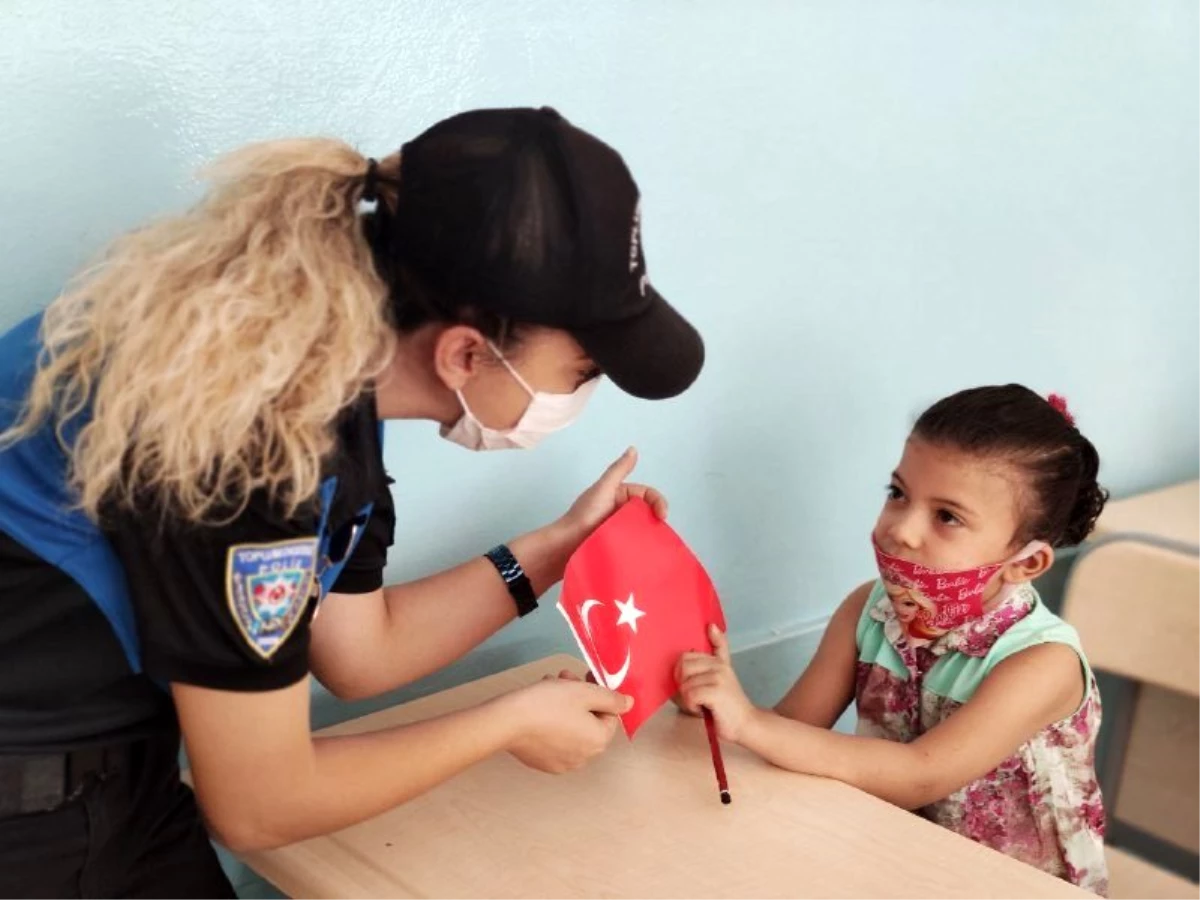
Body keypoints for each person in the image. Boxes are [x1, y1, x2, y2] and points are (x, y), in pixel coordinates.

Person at [0, 106, 705, 899]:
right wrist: (507, 725)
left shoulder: (328, 376)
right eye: (580, 374)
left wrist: (558, 549)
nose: (580, 394)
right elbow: (259, 807)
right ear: (464, 354)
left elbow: (360, 654)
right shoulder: (242, 433)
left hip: (122, 786)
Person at [677, 385, 1110, 895]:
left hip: (1013, 886)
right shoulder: (867, 610)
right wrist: (711, 699)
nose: (900, 530)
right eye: (897, 494)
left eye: (947, 516)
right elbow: (790, 727)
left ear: (1028, 562)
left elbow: (920, 775)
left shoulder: (1043, 663)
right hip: (889, 858)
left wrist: (748, 724)